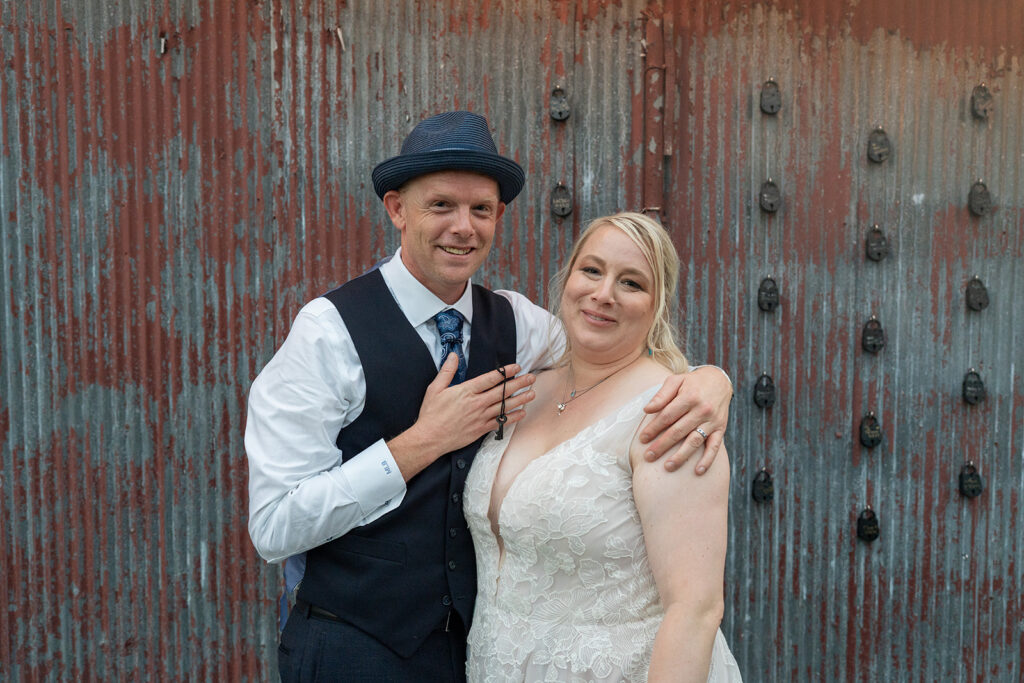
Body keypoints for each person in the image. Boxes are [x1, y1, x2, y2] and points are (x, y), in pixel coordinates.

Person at [245, 112, 734, 682]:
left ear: (500, 217)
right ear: (397, 210)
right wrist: (418, 445)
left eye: (481, 210)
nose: (463, 227)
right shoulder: (326, 334)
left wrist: (708, 379)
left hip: (471, 656)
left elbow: (613, 352)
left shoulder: (521, 327)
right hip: (355, 649)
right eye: (441, 206)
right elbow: (274, 526)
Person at [463, 212, 742, 682]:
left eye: (631, 283)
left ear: (658, 305)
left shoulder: (671, 413)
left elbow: (694, 610)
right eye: (591, 270)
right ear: (567, 276)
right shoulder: (526, 388)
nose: (603, 294)